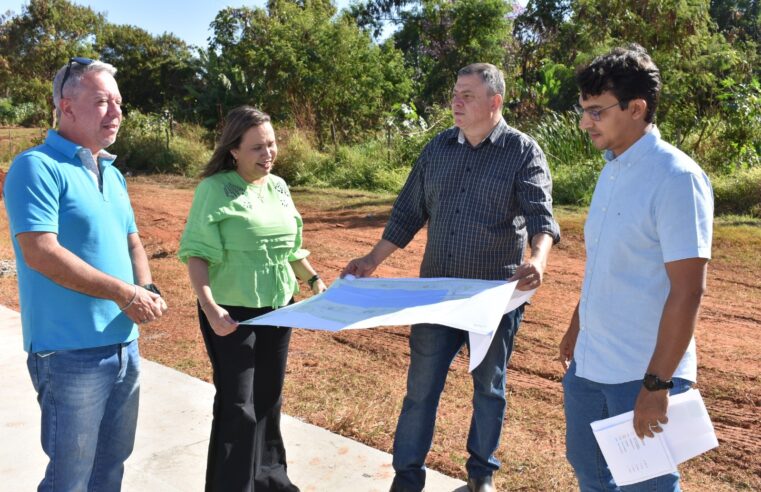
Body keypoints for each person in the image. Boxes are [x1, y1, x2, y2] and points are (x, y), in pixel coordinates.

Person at [342, 63, 560, 492]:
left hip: (494, 298)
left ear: (494, 103)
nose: (456, 102)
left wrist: (538, 258)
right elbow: (408, 213)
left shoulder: (523, 152)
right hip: (436, 294)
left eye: (467, 95)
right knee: (420, 390)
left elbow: (541, 216)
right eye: (455, 94)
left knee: (489, 389)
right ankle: (406, 479)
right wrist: (371, 260)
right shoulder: (437, 148)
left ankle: (481, 475)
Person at [3, 57, 167, 490]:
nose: (116, 112)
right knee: (69, 478)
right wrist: (124, 294)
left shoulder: (111, 172)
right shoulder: (35, 167)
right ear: (66, 106)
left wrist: (145, 288)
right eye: (101, 101)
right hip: (68, 353)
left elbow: (132, 240)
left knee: (110, 468)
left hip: (123, 347)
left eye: (118, 102)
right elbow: (41, 252)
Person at [558, 44, 713, 491]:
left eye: (596, 111)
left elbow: (688, 291)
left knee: (646, 485)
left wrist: (657, 383)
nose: (586, 122)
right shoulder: (612, 169)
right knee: (589, 472)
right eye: (583, 110)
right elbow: (606, 264)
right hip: (589, 367)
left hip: (640, 371)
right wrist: (577, 326)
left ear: (637, 108)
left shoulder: (676, 178)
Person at [178, 106, 327, 492]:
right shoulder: (213, 190)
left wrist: (313, 281)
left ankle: (270, 480)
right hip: (231, 313)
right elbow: (197, 254)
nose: (268, 153)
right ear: (234, 150)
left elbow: (292, 248)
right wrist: (210, 309)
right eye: (258, 147)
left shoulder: (278, 186)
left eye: (272, 144)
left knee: (268, 399)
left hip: (278, 307)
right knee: (238, 406)